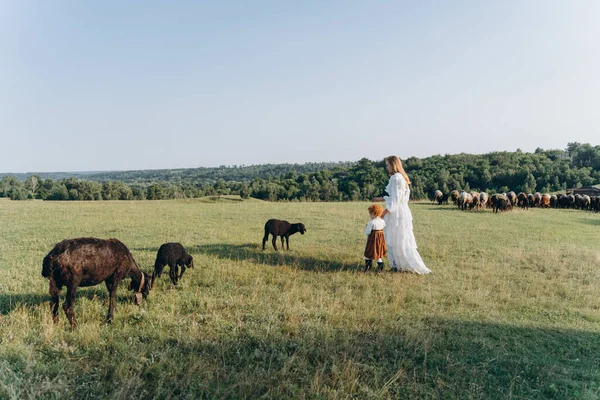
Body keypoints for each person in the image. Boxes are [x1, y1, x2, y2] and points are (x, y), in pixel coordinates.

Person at [371, 155, 431, 274]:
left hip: (396, 213)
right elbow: (396, 197)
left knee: (397, 238)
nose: (387, 167)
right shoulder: (402, 178)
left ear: (393, 165)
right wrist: (381, 199)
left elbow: (395, 200)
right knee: (399, 238)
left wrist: (383, 213)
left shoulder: (396, 179)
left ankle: (401, 265)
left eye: (387, 165)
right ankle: (398, 264)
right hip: (401, 211)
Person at [363, 204, 387, 272]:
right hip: (380, 240)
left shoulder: (371, 222)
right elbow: (384, 227)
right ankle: (381, 268)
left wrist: (366, 227)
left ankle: (368, 268)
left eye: (370, 213)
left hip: (372, 240)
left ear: (373, 213)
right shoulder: (382, 221)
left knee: (368, 253)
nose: (369, 215)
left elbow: (367, 232)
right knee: (378, 254)